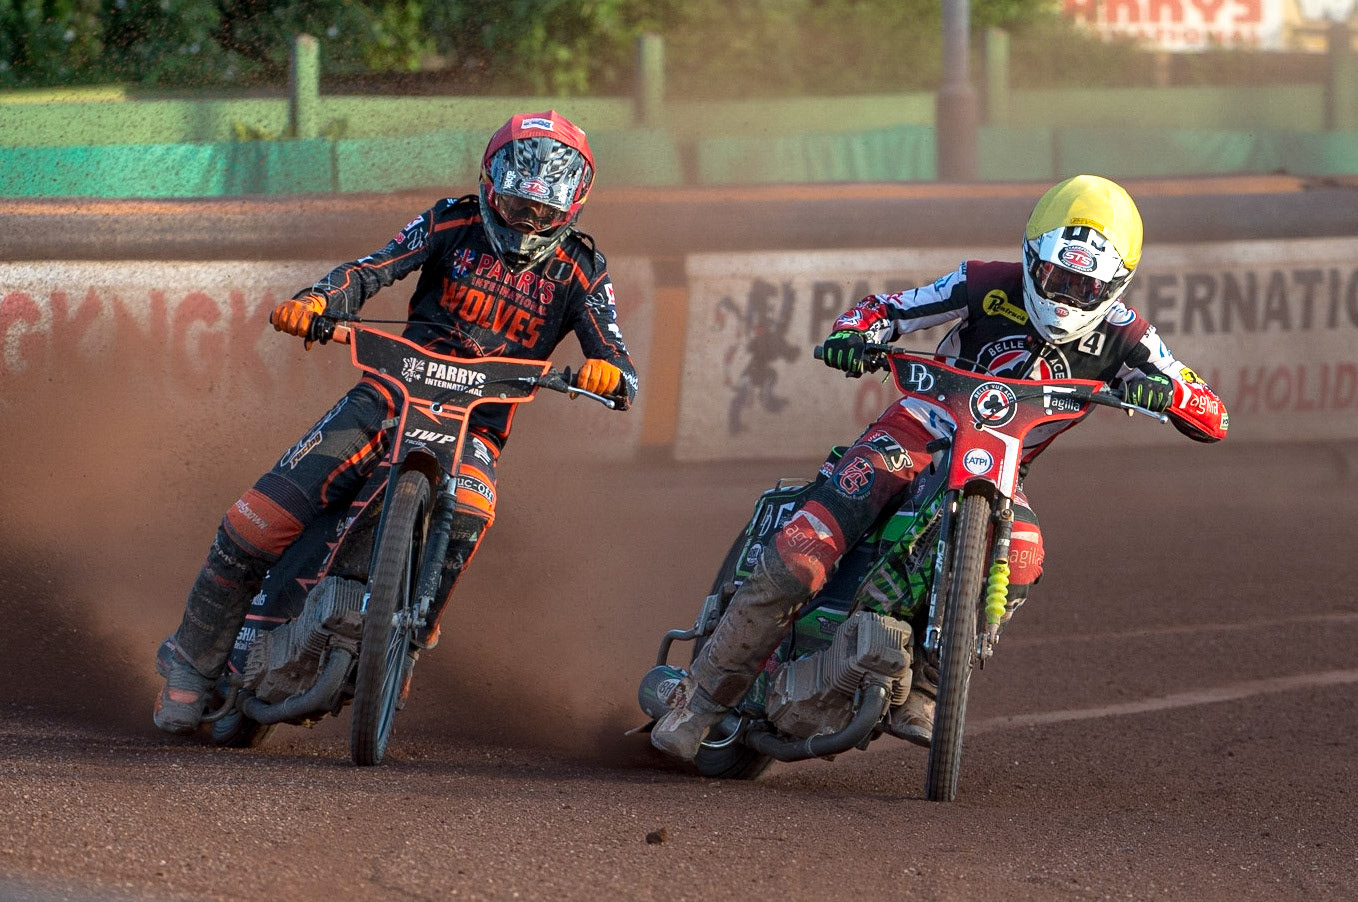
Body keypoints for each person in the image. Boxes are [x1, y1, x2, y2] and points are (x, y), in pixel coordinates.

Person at [650, 174, 1228, 760]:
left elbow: (1212, 412)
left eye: (1085, 285)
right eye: (1057, 275)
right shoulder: (983, 283)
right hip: (915, 433)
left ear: (1116, 285)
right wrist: (856, 333)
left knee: (1024, 553)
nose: (1065, 296)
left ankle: (928, 685)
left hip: (999, 473)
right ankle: (698, 701)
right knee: (806, 548)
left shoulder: (1130, 335)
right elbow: (890, 309)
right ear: (1032, 259)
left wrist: (1171, 396)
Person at [154, 110, 637, 735]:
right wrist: (320, 302)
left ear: (572, 207)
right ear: (492, 187)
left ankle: (405, 637)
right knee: (258, 521)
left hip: (475, 428)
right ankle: (192, 665)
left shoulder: (582, 269)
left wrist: (608, 374)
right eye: (518, 205)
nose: (527, 222)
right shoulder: (451, 220)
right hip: (385, 395)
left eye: (544, 213)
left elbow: (617, 357)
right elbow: (374, 268)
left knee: (470, 509)